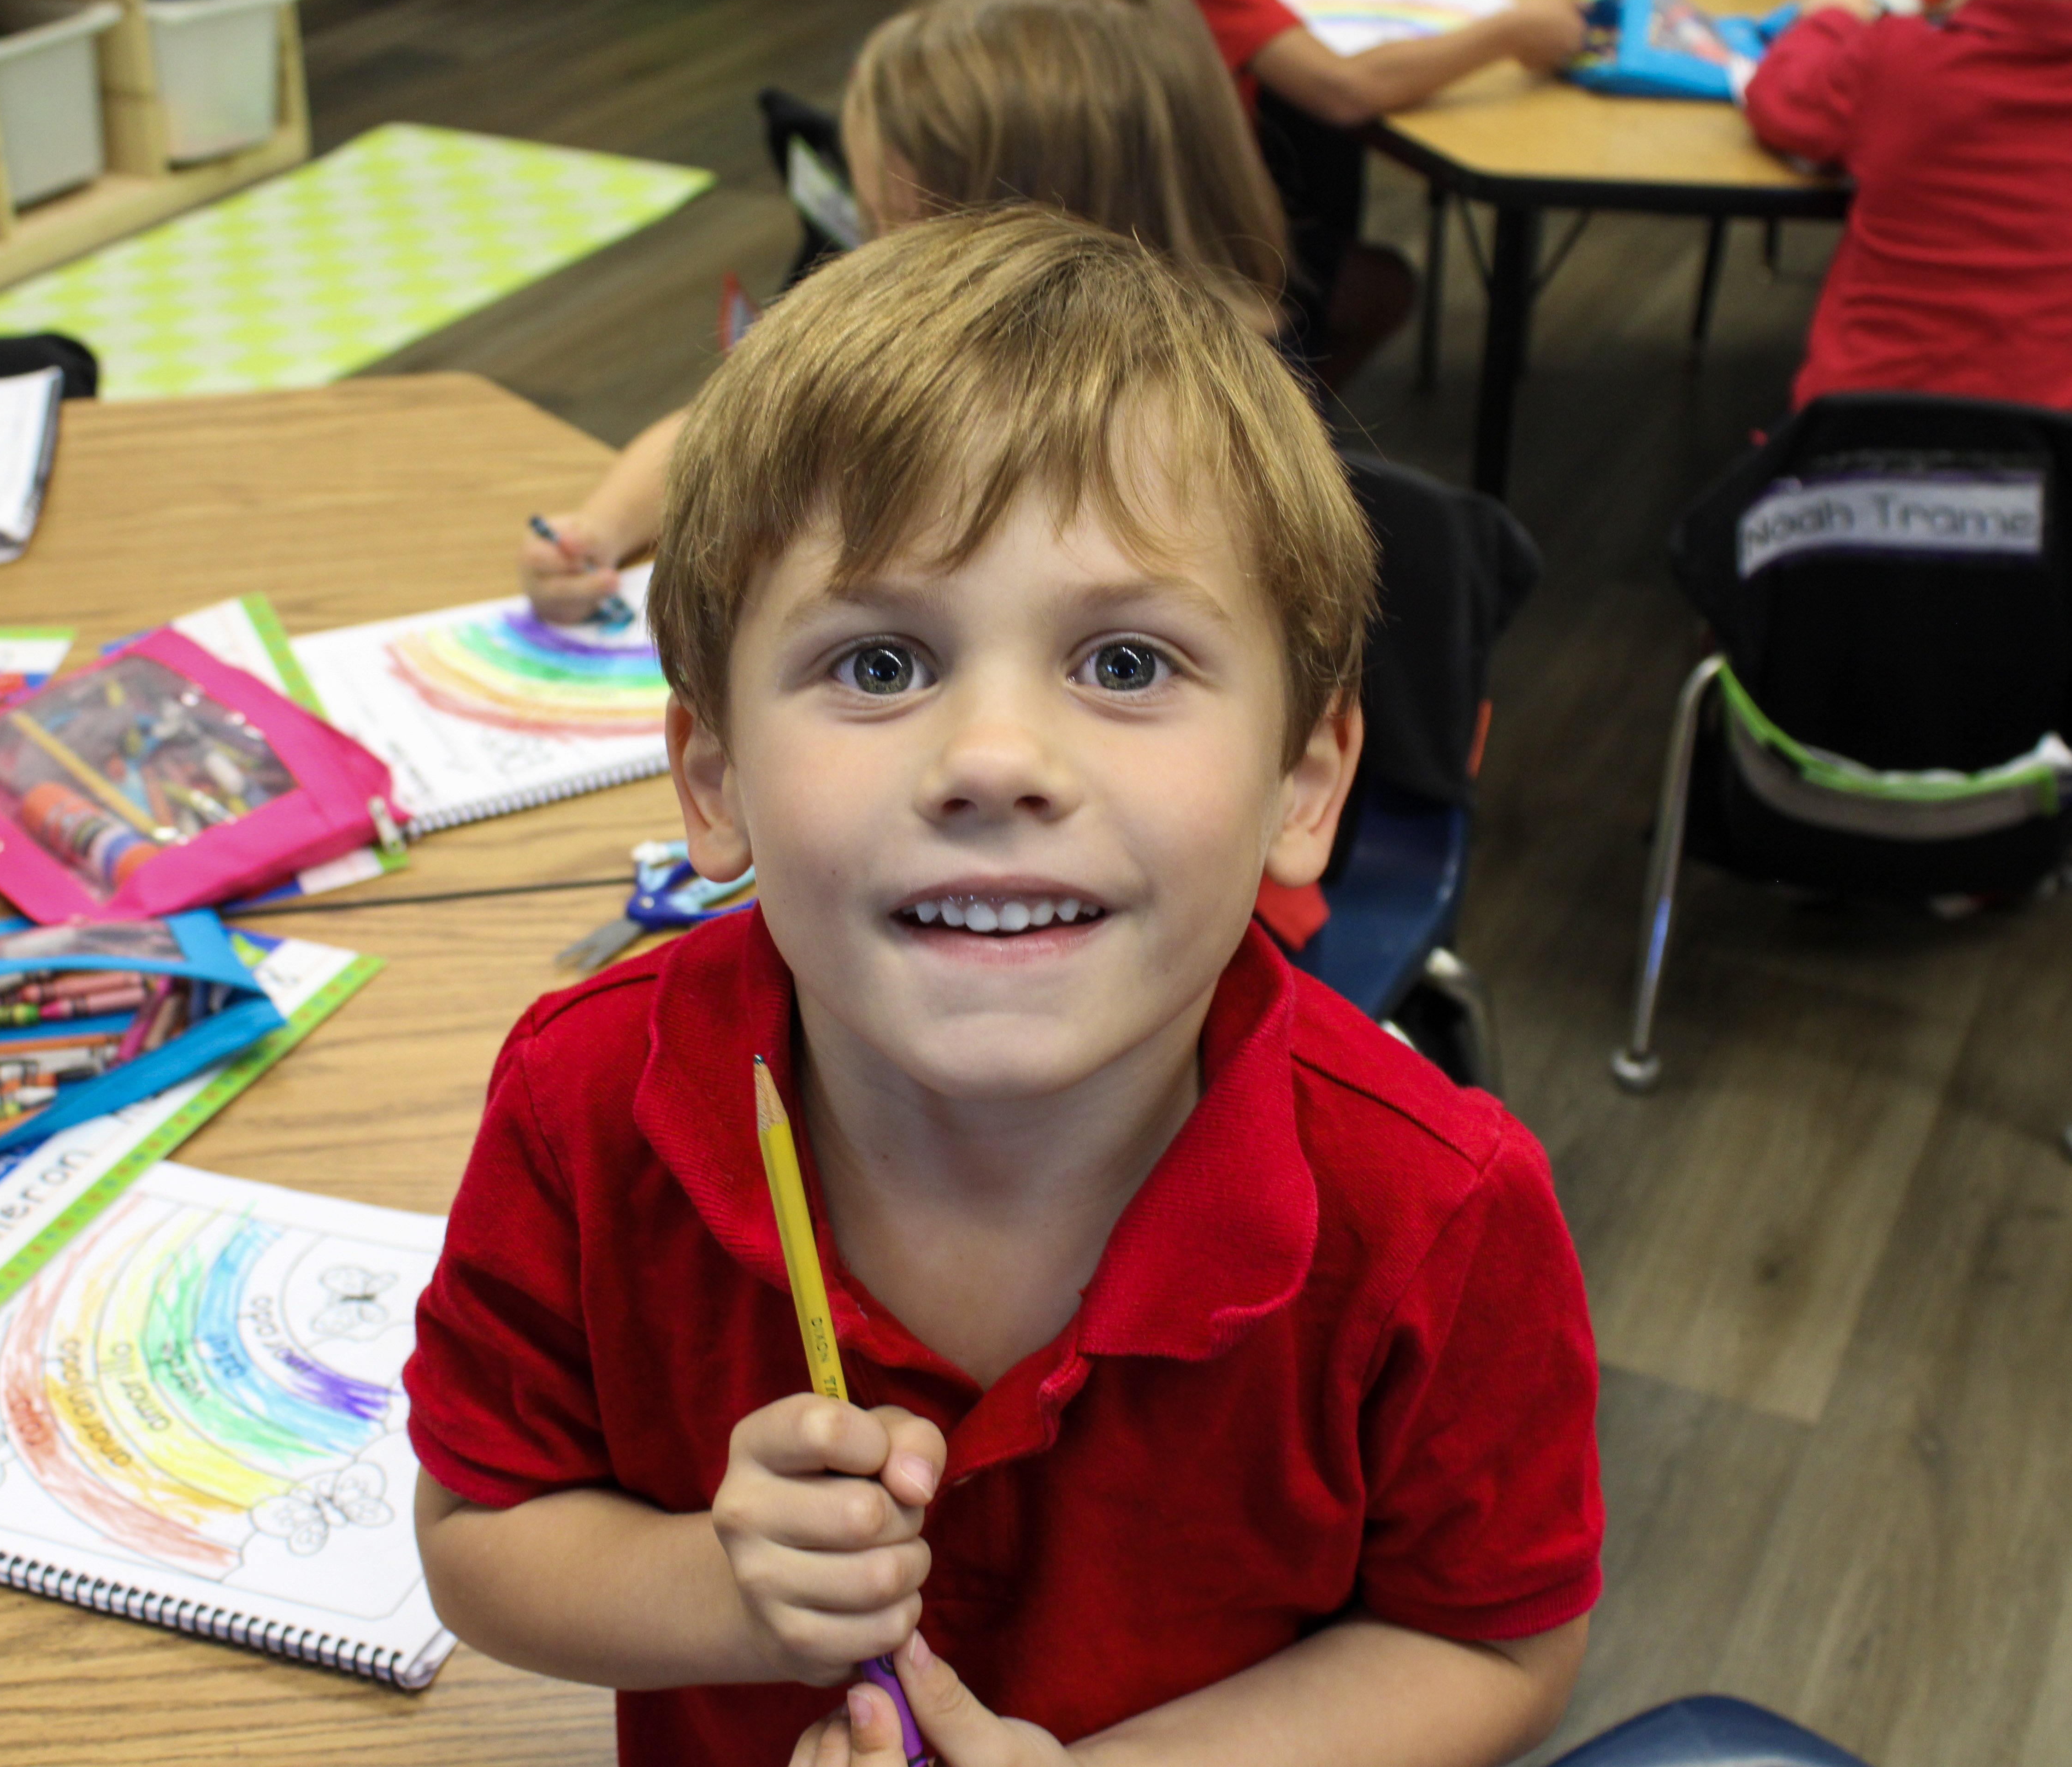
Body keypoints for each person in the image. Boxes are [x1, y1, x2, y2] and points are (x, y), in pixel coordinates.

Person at [407, 208, 1602, 1767]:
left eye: (1125, 665)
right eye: (880, 665)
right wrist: (724, 1592)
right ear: (714, 780)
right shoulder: (585, 1104)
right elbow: (480, 1529)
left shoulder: (1440, 1212)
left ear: (1305, 782)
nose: (992, 760)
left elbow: (1492, 1641)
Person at [523, 0, 1297, 626]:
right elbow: (716, 437)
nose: (871, 263)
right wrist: (597, 532)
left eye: (895, 228)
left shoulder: (1206, 448)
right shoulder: (915, 350)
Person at [1743, 0, 2072, 664]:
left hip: (1847, 484)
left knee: (1776, 451)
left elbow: (1781, 100)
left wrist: (1830, 17)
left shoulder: (1895, 62)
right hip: (2059, 515)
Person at [1049, 0, 1586, 384]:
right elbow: (1344, 90)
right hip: (1180, 235)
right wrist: (1513, 31)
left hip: (1114, 201)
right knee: (1382, 290)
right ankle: (1278, 430)